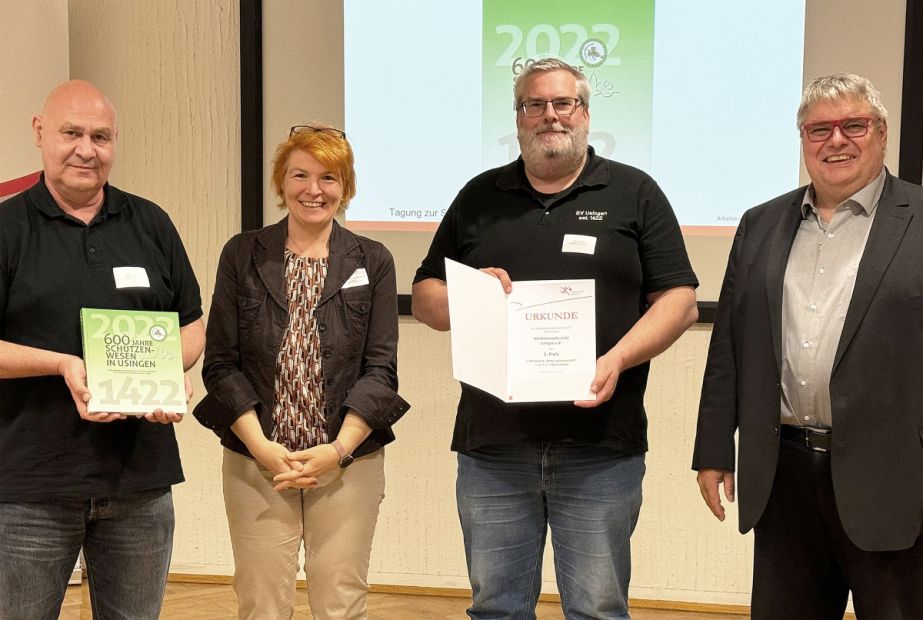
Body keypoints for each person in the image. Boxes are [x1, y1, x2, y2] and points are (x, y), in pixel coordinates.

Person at [412, 58, 698, 619]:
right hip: (494, 446)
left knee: (596, 609)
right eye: (534, 105)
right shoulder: (479, 195)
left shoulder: (635, 192)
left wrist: (616, 358)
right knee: (495, 608)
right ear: (518, 118)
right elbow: (425, 296)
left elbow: (681, 302)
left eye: (562, 103)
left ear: (585, 112)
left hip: (600, 447)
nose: (550, 116)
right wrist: (468, 297)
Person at [693, 73, 923, 619]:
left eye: (853, 125)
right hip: (783, 474)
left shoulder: (918, 219)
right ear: (802, 139)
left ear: (882, 133)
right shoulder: (761, 223)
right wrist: (713, 448)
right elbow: (728, 343)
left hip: (892, 476)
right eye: (819, 129)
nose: (835, 140)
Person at [0, 80, 205, 619]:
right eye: (71, 133)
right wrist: (64, 364)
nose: (86, 150)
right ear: (40, 132)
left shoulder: (151, 224)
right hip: (28, 490)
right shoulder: (6, 227)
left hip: (140, 483)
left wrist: (170, 370)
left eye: (101, 136)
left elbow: (191, 326)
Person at [193, 124, 409, 619]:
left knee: (340, 603)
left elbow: (381, 370)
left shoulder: (373, 260)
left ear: (346, 186)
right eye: (301, 175)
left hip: (346, 463)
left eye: (329, 177)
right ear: (280, 182)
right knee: (261, 604)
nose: (314, 190)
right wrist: (262, 448)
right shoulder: (242, 254)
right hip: (258, 461)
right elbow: (221, 363)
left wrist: (337, 450)